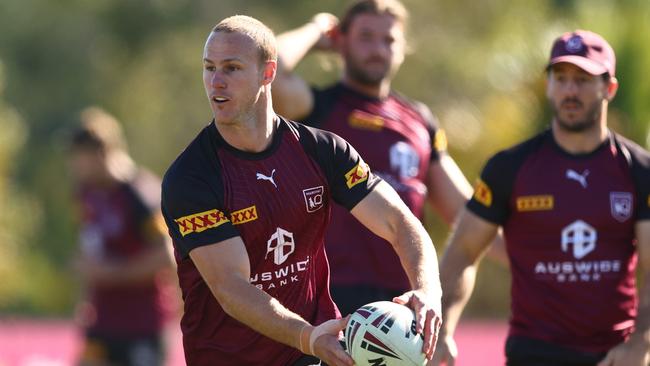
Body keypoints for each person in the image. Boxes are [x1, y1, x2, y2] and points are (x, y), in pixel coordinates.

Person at [160, 15, 442, 366]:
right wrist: (307, 336)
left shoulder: (323, 151)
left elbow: (401, 222)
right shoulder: (192, 178)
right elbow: (232, 288)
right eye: (209, 67)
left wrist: (428, 291)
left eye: (232, 68)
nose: (216, 81)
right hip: (228, 357)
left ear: (268, 73)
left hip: (305, 355)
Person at [431, 30, 650, 366]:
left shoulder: (639, 171)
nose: (570, 90)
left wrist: (640, 341)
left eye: (583, 79)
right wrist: (443, 327)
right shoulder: (509, 168)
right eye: (560, 78)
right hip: (532, 354)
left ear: (610, 88)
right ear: (548, 85)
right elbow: (462, 252)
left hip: (614, 357)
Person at [271, 0, 493, 317]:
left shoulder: (420, 120)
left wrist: (536, 252)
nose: (377, 48)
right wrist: (317, 30)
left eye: (388, 39)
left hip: (402, 309)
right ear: (341, 42)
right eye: (365, 37)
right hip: (326, 302)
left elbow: (472, 218)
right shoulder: (316, 108)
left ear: (403, 48)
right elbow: (268, 67)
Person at [67, 107, 177, 366]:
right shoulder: (86, 193)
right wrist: (85, 298)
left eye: (79, 157)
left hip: (142, 326)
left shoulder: (140, 194)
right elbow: (93, 246)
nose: (74, 165)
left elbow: (167, 257)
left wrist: (112, 273)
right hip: (103, 323)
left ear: (102, 153)